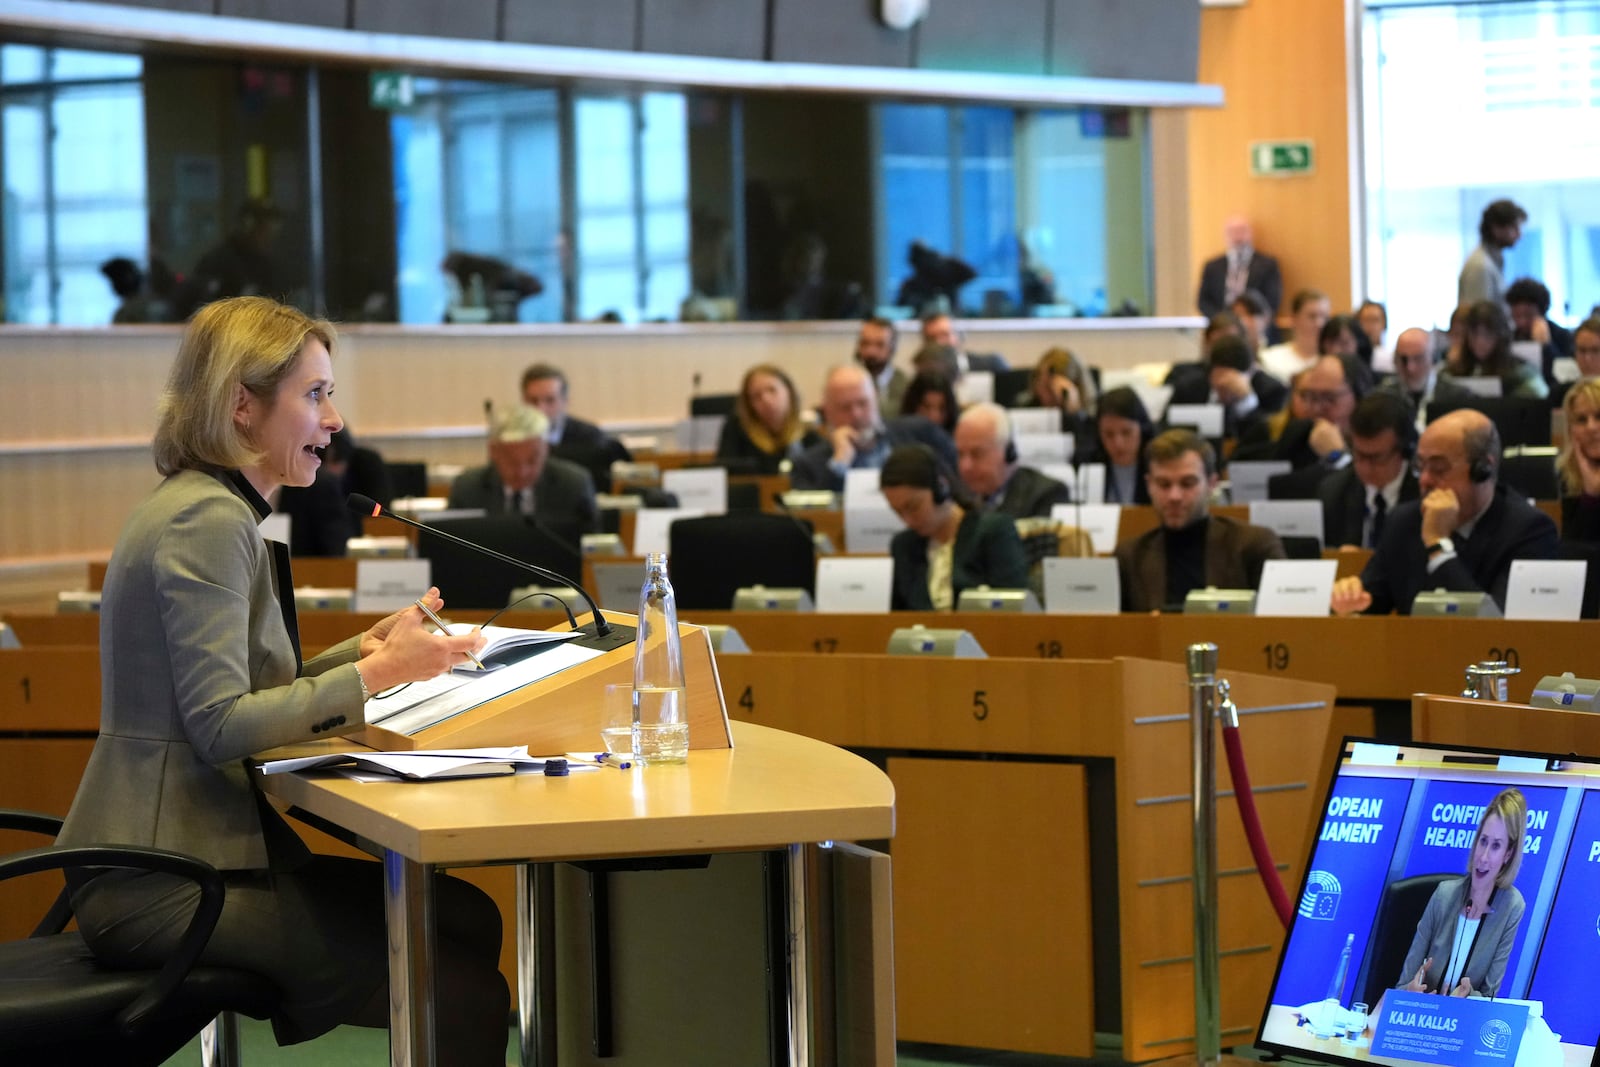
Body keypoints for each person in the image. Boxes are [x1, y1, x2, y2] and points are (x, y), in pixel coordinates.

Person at [56, 296, 508, 1060]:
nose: (333, 421)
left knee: (464, 915)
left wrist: (367, 655)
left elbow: (251, 689)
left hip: (186, 854)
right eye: (315, 394)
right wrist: (378, 676)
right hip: (163, 879)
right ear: (242, 405)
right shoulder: (208, 522)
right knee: (463, 986)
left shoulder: (206, 507)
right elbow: (222, 725)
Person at [1330, 409, 1559, 615]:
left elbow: (1495, 627)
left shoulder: (1529, 530)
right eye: (1420, 467)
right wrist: (1350, 599)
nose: (1426, 480)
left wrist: (1438, 546)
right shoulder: (1404, 521)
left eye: (1439, 468)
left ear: (1483, 469)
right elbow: (1372, 601)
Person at [1114, 429, 1285, 612]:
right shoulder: (1129, 557)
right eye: (1164, 484)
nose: (1174, 496)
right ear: (1149, 485)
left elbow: (1282, 624)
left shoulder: (1253, 545)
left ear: (1211, 484)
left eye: (1187, 483)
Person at [1396, 788, 1527, 999]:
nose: (1483, 857)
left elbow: (1489, 997)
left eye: (1496, 846)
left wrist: (1467, 999)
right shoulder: (1443, 895)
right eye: (1483, 841)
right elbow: (1402, 985)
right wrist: (1410, 992)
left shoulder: (1511, 907)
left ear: (1508, 854)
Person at [879, 443, 1029, 610]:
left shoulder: (993, 532)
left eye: (914, 507)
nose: (907, 520)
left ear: (941, 488)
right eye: (898, 512)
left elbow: (1014, 609)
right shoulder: (903, 546)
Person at [789, 364, 957, 492]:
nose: (856, 414)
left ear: (876, 400)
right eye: (845, 407)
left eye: (863, 403)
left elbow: (958, 479)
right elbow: (817, 519)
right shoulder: (806, 465)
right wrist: (840, 463)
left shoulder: (919, 433)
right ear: (828, 412)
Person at [448, 403, 600, 536]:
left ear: (546, 449)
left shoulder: (573, 485)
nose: (522, 471)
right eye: (511, 461)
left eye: (532, 460)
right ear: (493, 452)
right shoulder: (467, 489)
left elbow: (594, 551)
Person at [1317, 392, 1420, 550]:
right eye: (1359, 455)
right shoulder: (1334, 492)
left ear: (1405, 451)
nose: (1364, 467)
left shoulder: (1424, 496)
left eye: (1376, 458)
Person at [277, 427, 395, 557]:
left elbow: (381, 512)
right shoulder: (311, 481)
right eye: (324, 460)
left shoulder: (367, 464)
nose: (331, 468)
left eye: (337, 460)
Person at [954, 402, 1071, 518]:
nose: (965, 466)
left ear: (1010, 453)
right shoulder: (955, 499)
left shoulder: (1045, 496)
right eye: (960, 454)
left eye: (977, 454)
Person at [715, 363, 823, 475]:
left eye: (772, 390)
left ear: (789, 391)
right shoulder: (737, 431)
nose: (766, 400)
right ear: (749, 404)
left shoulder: (807, 431)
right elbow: (725, 473)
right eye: (756, 396)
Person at [1442, 299, 1547, 401]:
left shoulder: (1521, 372)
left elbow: (1540, 401)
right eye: (1474, 334)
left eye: (1487, 335)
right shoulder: (1454, 371)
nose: (1480, 341)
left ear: (1500, 336)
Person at [1378, 326, 1475, 430]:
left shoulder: (1458, 396)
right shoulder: (1382, 396)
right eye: (1403, 359)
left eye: (1418, 358)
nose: (1410, 367)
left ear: (1433, 358)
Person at [1196, 215, 1283, 318]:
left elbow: (1272, 301)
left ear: (1251, 234)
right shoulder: (1212, 267)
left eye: (1242, 231)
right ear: (1226, 235)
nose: (1238, 237)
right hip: (1221, 325)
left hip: (1256, 325)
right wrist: (1221, 321)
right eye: (1232, 232)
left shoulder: (1268, 265)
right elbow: (1203, 301)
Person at [1084, 387, 1155, 505]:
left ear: (1142, 429)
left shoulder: (1157, 464)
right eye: (1108, 434)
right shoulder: (1088, 464)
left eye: (1126, 432)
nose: (1118, 443)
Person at [1459, 199, 1526, 311]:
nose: (1519, 235)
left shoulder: (1491, 261)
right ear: (1496, 228)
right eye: (1514, 228)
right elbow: (1481, 320)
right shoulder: (1480, 265)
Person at [1557, 375, 1600, 544]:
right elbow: (1573, 552)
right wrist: (1591, 497)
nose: (1591, 427)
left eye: (1599, 416)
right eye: (1581, 420)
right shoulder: (1568, 475)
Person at [1260, 289, 1333, 384]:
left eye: (1325, 317)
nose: (1320, 323)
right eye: (1312, 316)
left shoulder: (1333, 362)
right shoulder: (1270, 359)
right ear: (1294, 319)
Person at [920, 311, 1010, 373]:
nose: (939, 342)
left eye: (945, 335)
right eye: (931, 338)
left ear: (958, 336)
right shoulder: (923, 379)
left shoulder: (992, 365)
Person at [854, 316, 909, 417]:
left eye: (880, 345)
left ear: (892, 348)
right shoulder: (847, 383)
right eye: (865, 343)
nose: (871, 351)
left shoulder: (906, 386)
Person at [899, 369, 960, 435]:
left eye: (941, 408)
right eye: (926, 407)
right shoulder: (894, 439)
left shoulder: (958, 440)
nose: (934, 416)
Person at [1358, 299, 1390, 372]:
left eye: (1375, 320)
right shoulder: (1354, 359)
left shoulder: (1392, 359)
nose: (1370, 326)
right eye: (1366, 320)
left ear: (1384, 324)